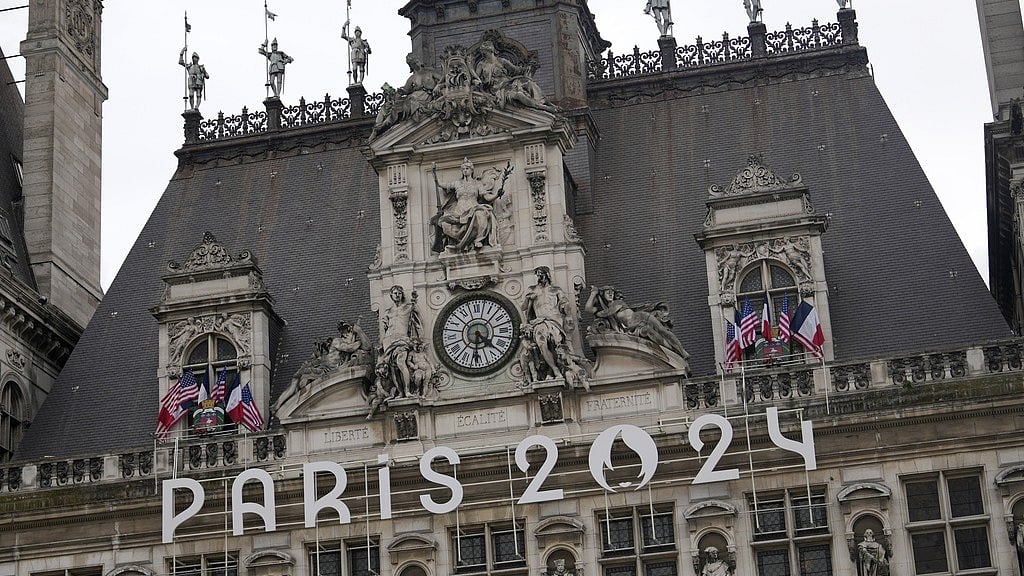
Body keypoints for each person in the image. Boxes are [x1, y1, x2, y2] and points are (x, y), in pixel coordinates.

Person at [585, 285, 689, 359]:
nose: (611, 294)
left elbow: (605, 313)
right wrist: (593, 294)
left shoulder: (617, 303)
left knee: (662, 330)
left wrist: (599, 310)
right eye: (608, 292)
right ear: (603, 294)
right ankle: (673, 351)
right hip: (633, 327)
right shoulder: (606, 310)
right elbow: (588, 309)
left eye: (612, 292)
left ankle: (682, 351)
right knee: (655, 335)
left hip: (641, 317)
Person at [430, 159, 511, 252]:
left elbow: (487, 197)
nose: (465, 170)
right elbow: (441, 184)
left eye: (467, 168)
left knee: (481, 214)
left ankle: (478, 239)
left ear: (472, 170)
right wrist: (434, 173)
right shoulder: (457, 183)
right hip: (459, 211)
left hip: (474, 208)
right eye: (463, 169)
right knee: (444, 222)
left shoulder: (477, 184)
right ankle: (460, 241)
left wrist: (497, 194)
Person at [521, 266, 571, 380]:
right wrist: (528, 299)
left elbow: (565, 305)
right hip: (539, 321)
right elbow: (523, 307)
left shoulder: (556, 290)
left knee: (554, 343)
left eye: (541, 275)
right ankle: (555, 369)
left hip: (555, 320)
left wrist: (566, 308)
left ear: (547, 275)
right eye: (538, 275)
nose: (539, 277)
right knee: (541, 343)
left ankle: (551, 371)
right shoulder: (532, 289)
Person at [378, 286, 421, 398]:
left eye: (399, 293)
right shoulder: (388, 312)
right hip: (389, 340)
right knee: (392, 368)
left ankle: (407, 391)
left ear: (402, 295)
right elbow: (384, 326)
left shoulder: (407, 307)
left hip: (402, 339)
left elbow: (416, 311)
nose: (397, 295)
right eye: (395, 293)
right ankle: (400, 391)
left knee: (401, 362)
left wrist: (414, 301)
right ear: (391, 296)